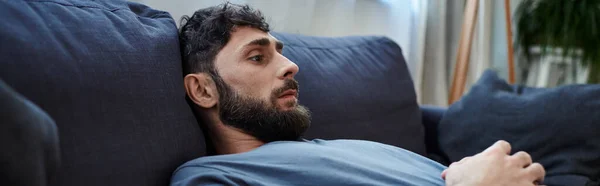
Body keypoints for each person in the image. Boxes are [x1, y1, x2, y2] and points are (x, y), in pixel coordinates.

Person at [172, 3, 546, 186]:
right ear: (203, 90)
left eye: (280, 52)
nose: (290, 66)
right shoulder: (212, 177)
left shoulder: (324, 149)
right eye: (258, 57)